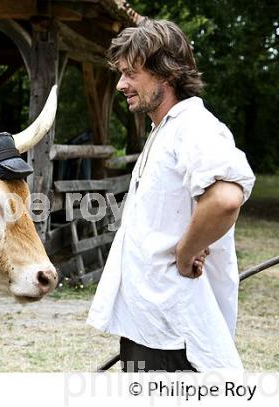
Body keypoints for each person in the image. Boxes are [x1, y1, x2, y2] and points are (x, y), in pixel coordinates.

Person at [87, 19, 256, 372]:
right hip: (151, 325)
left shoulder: (194, 126)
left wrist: (185, 252)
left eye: (131, 73)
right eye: (121, 73)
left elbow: (225, 197)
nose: (121, 84)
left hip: (173, 332)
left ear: (167, 73)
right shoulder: (165, 129)